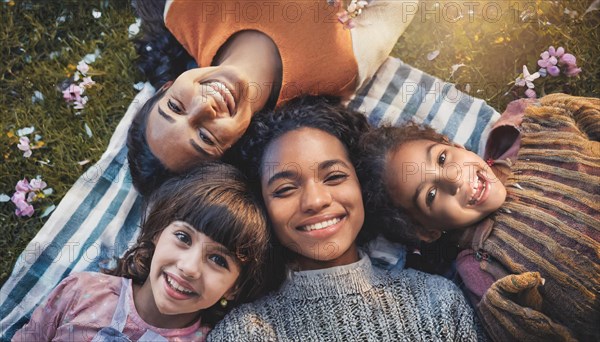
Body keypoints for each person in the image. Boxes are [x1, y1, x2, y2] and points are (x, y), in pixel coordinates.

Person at [206, 96, 483, 341]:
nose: (315, 200)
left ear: (363, 188)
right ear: (261, 209)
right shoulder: (243, 333)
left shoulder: (437, 302)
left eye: (335, 177)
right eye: (285, 189)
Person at [357, 94, 600, 341]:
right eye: (431, 194)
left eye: (442, 158)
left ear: (455, 145)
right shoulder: (482, 273)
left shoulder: (534, 134)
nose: (453, 178)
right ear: (427, 231)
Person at [127, 0, 417, 196]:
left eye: (175, 107)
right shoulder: (341, 69)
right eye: (205, 137)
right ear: (230, 151)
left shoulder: (182, 10)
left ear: (166, 87)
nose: (205, 105)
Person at [13, 162, 270, 341]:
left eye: (217, 259)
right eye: (183, 237)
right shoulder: (82, 291)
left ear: (234, 287)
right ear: (158, 232)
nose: (189, 267)